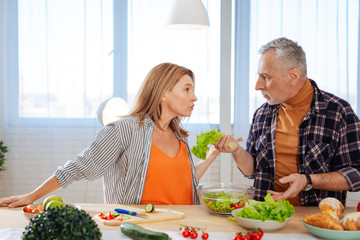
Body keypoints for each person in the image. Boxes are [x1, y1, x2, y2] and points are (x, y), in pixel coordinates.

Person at [0, 62, 220, 207]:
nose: (195, 97)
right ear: (163, 93)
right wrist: (31, 197)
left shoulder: (180, 136)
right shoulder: (125, 130)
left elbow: (182, 183)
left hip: (183, 228)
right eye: (187, 89)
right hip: (140, 229)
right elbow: (78, 167)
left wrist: (211, 156)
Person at [215, 37, 360, 206]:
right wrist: (237, 150)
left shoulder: (338, 112)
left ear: (293, 76)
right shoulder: (262, 114)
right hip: (267, 216)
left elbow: (356, 173)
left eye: (265, 77)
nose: (257, 85)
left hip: (315, 219)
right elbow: (253, 170)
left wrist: (308, 180)